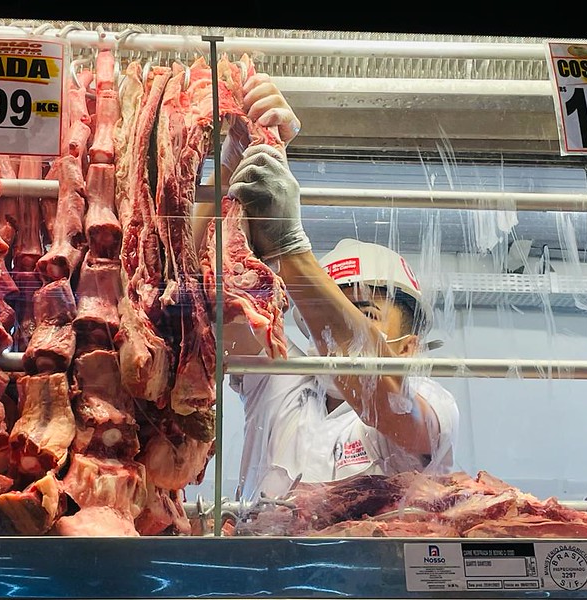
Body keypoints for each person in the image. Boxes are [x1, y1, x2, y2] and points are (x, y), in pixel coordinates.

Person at [195, 74, 460, 503]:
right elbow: (197, 288)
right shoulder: (281, 378)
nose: (331, 334)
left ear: (408, 348)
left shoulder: (434, 406)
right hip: (260, 570)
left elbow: (386, 402)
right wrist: (237, 158)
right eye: (324, 317)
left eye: (365, 314)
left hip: (377, 569)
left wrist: (290, 251)